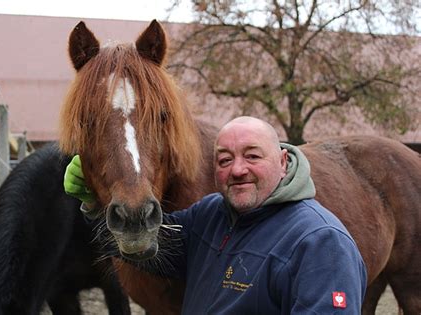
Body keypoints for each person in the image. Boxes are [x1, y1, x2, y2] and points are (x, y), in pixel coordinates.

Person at [64, 116, 367, 314]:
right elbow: (144, 243)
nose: (237, 169)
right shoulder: (211, 214)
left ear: (283, 161)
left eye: (252, 156)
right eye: (224, 159)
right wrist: (96, 204)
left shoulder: (320, 242)